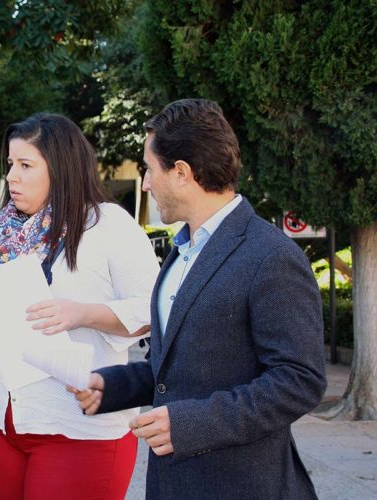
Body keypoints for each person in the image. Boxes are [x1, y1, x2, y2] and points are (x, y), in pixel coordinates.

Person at [71, 99, 326, 499]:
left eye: (149, 170)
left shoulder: (271, 256)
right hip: (172, 484)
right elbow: (175, 364)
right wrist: (113, 385)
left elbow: (299, 381)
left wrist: (191, 424)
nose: (146, 184)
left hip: (244, 485)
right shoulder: (181, 252)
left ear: (182, 173)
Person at [0, 113, 159, 499]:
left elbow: (152, 310)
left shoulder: (108, 225)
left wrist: (81, 313)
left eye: (26, 165)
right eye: (11, 164)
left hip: (75, 426)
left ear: (61, 168)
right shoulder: (8, 231)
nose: (12, 176)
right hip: (2, 418)